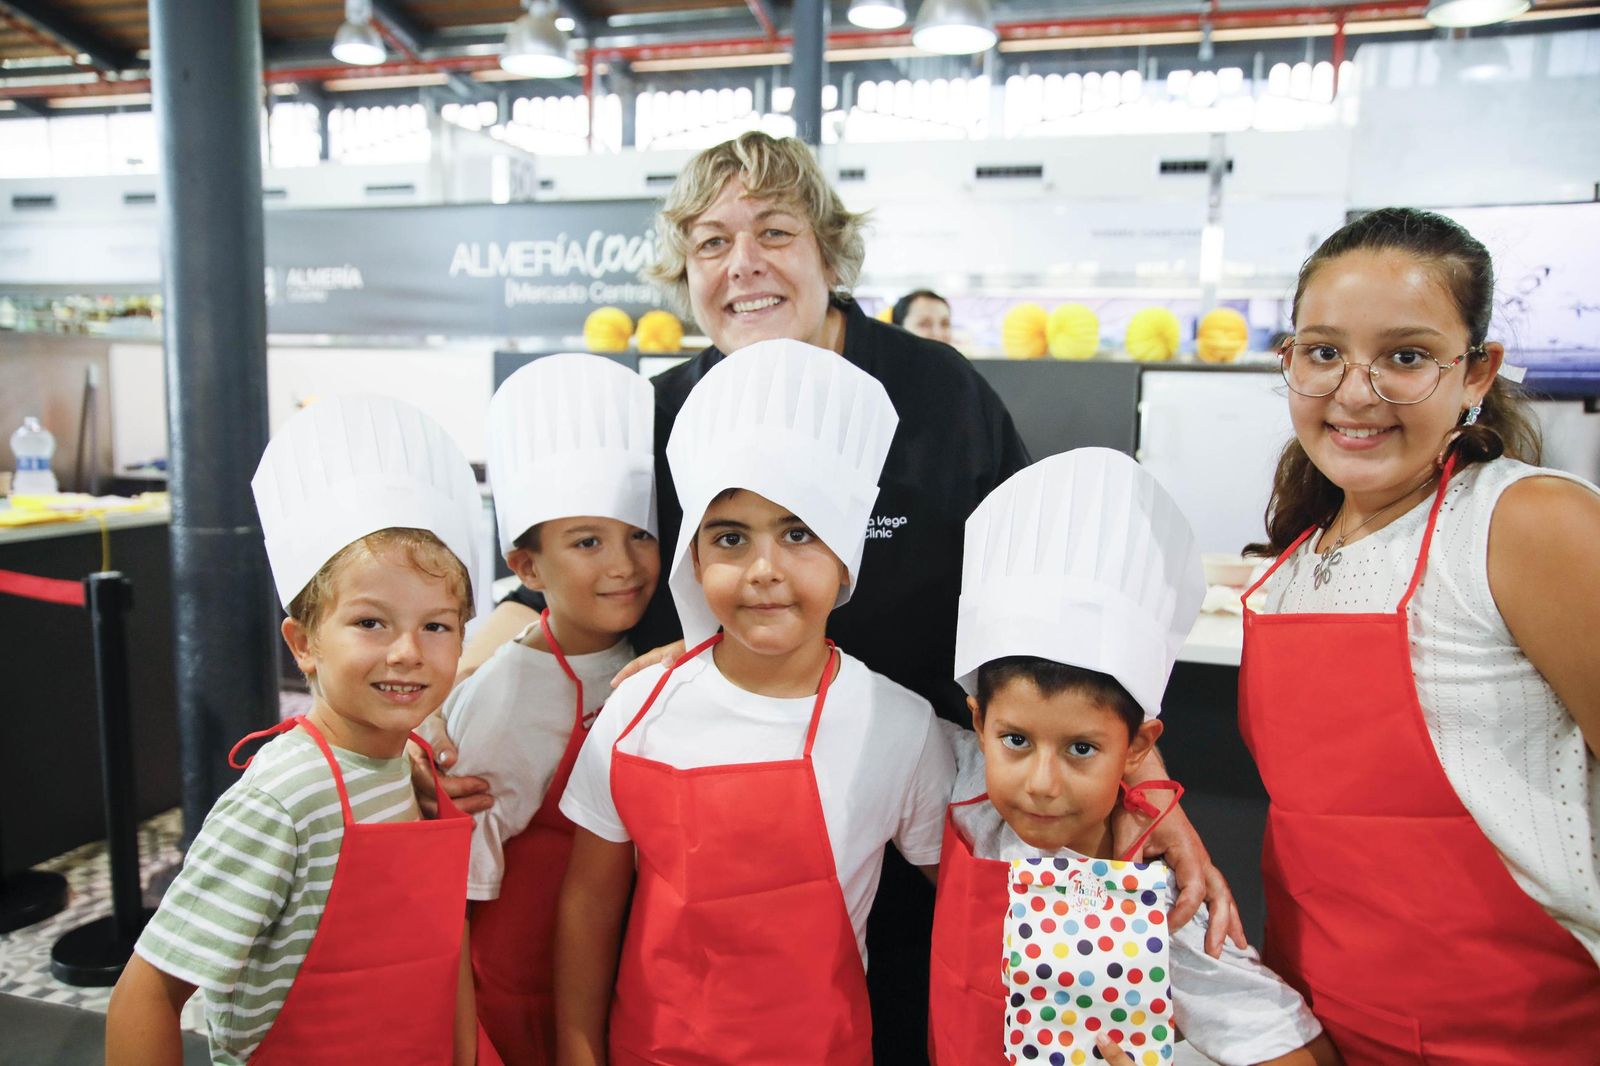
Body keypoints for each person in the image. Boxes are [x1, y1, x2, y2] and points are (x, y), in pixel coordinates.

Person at [446, 131, 1241, 1059]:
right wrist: (444, 703)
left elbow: (1060, 609)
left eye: (774, 233)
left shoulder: (937, 395)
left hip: (924, 798)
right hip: (701, 855)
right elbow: (562, 579)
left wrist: (1143, 787)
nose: (742, 265)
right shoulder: (659, 418)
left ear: (828, 249)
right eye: (711, 243)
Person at [1240, 207, 1600, 1057]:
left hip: (1520, 1029)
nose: (1355, 393)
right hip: (1325, 1024)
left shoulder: (1527, 522)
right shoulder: (1290, 565)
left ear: (1477, 372)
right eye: (1324, 352)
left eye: (1406, 356)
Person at [553, 339, 955, 1064]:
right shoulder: (640, 709)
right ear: (696, 560)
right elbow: (588, 909)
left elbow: (969, 905)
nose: (764, 570)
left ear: (844, 562)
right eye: (731, 538)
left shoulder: (896, 725)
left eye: (798, 534)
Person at [106, 395, 492, 1065]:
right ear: (304, 642)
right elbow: (147, 993)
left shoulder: (414, 768)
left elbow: (446, 950)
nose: (408, 651)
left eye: (436, 625)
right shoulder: (283, 799)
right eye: (371, 622)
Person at [931, 448, 1337, 1066]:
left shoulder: (1162, 899)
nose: (1041, 784)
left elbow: (1296, 1050)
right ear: (979, 724)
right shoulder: (960, 787)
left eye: (1081, 749)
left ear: (1138, 748)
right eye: (1016, 740)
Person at [440, 354, 659, 1064]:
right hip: (522, 979)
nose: (624, 565)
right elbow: (459, 892)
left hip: (617, 963)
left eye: (640, 535)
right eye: (588, 543)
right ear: (529, 568)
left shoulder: (650, 655)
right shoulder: (507, 697)